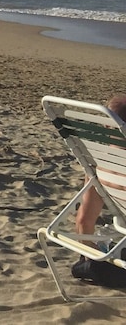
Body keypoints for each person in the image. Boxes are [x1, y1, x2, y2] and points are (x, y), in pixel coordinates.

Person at [72, 94, 126, 286]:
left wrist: (88, 255)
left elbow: (83, 220)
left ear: (106, 125)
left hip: (120, 234)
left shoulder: (98, 164)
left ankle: (92, 267)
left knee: (95, 266)